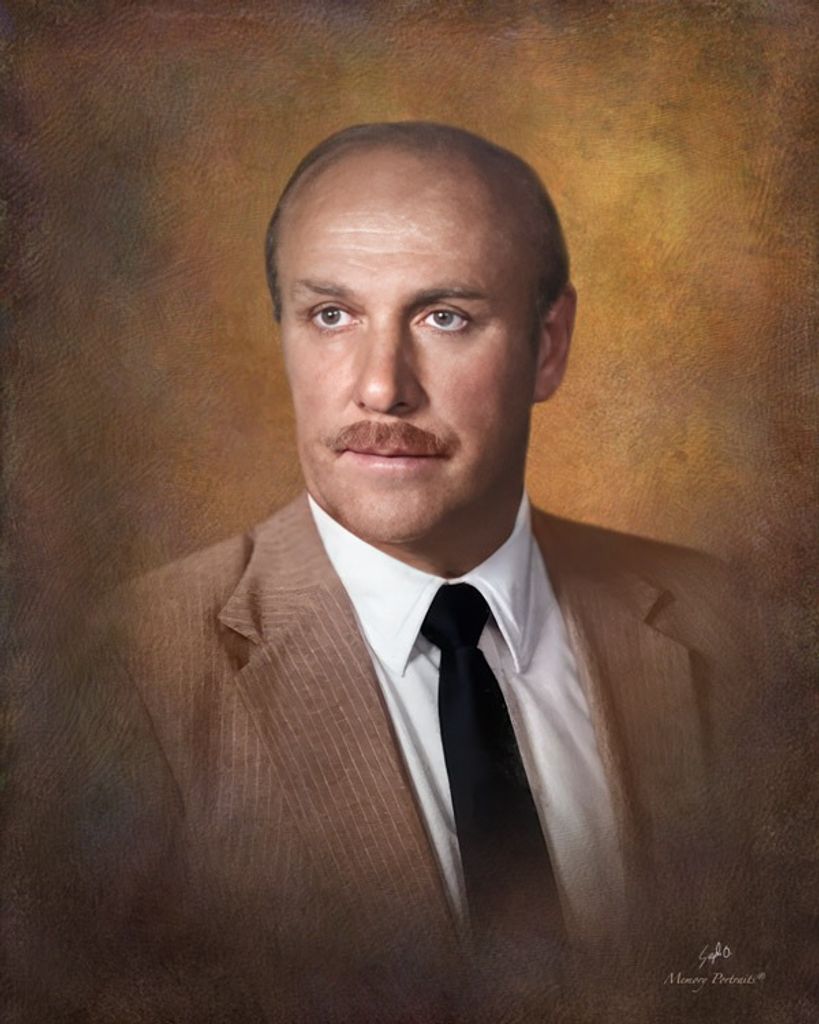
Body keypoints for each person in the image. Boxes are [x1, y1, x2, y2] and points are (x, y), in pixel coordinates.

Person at [8, 123, 769, 1024]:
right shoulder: (115, 673)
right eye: (331, 315)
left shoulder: (734, 625)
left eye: (444, 317)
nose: (380, 387)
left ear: (549, 345)